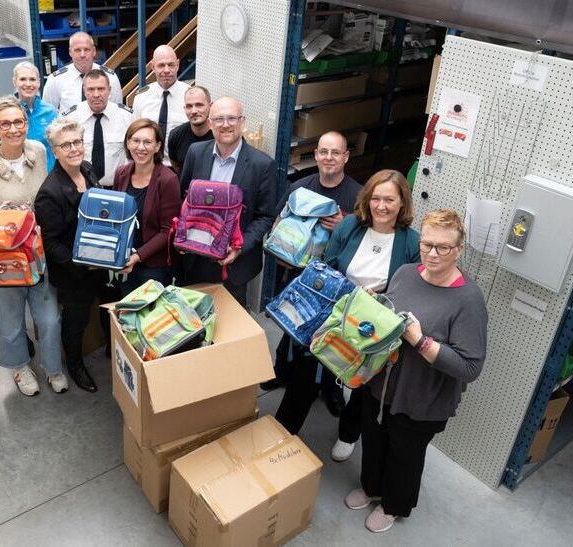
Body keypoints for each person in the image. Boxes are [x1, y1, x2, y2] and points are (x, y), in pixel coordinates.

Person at [344, 209, 487, 533]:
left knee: (404, 456)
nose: (432, 254)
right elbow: (392, 313)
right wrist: (376, 304)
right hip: (381, 384)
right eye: (426, 245)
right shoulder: (406, 273)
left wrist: (421, 341)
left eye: (443, 247)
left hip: (423, 399)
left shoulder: (468, 300)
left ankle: (394, 504)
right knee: (375, 439)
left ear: (459, 250)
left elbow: (470, 366)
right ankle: (371, 487)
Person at [273, 170, 420, 458]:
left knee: (362, 382)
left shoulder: (412, 242)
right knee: (305, 370)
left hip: (373, 322)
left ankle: (348, 434)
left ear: (403, 202)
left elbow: (409, 290)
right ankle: (283, 429)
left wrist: (378, 300)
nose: (381, 206)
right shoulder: (351, 225)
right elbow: (328, 264)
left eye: (389, 199)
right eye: (376, 198)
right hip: (336, 309)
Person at [0, 96, 68, 396]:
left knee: (49, 318)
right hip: (2, 261)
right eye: (5, 123)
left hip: (36, 255)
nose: (13, 129)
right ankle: (20, 368)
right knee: (10, 321)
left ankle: (53, 367)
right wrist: (0, 224)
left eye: (18, 122)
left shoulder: (39, 151)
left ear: (26, 124)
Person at [262, 130, 363, 416]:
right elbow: (279, 225)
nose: (328, 158)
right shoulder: (299, 187)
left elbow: (366, 240)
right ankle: (282, 371)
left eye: (335, 152)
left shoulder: (358, 196)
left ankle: (330, 389)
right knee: (292, 324)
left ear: (346, 157)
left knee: (330, 337)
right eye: (323, 152)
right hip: (297, 276)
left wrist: (346, 225)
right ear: (316, 154)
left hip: (336, 283)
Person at [35, 118, 119, 393]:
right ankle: (74, 364)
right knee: (77, 320)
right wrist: (82, 265)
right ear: (55, 151)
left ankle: (114, 351)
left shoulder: (88, 170)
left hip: (101, 261)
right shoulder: (50, 192)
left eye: (77, 142)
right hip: (74, 271)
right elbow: (51, 243)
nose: (73, 149)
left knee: (110, 307)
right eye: (66, 144)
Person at [178, 97, 277, 307]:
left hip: (234, 266)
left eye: (232, 118)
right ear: (210, 123)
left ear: (243, 122)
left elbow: (265, 216)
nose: (225, 124)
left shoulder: (263, 165)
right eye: (219, 119)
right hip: (195, 259)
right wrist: (183, 234)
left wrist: (239, 248)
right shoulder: (196, 153)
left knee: (231, 327)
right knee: (195, 321)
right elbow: (184, 196)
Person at [113, 118, 181, 293]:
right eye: (135, 140)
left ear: (158, 146)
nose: (140, 147)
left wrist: (137, 256)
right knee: (127, 314)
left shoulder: (168, 180)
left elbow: (168, 231)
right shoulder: (121, 173)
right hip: (125, 260)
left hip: (154, 267)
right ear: (128, 143)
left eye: (147, 142)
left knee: (152, 317)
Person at [63, 69, 133, 187]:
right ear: (84, 91)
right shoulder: (70, 118)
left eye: (101, 89)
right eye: (91, 89)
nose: (96, 94)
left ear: (109, 90)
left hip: (117, 188)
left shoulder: (126, 117)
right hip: (81, 189)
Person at [132, 45, 190, 167]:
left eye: (171, 65)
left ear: (178, 65)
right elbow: (134, 135)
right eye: (161, 65)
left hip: (179, 167)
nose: (166, 70)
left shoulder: (189, 96)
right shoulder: (141, 97)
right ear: (153, 66)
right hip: (148, 167)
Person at [42, 32, 122, 115]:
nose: (82, 55)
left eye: (87, 49)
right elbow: (48, 115)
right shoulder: (55, 79)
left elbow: (117, 112)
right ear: (70, 52)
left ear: (94, 51)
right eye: (77, 50)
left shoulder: (110, 77)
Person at [12, 61, 58, 172]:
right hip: (17, 176)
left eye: (32, 79)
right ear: (14, 82)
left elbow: (58, 145)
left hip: (46, 176)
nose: (28, 84)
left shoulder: (50, 112)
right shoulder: (6, 110)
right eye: (23, 79)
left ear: (39, 83)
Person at [167, 85, 213, 174]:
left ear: (210, 106)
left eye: (199, 105)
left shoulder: (220, 135)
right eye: (189, 106)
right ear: (184, 108)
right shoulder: (176, 135)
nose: (194, 111)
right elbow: (176, 166)